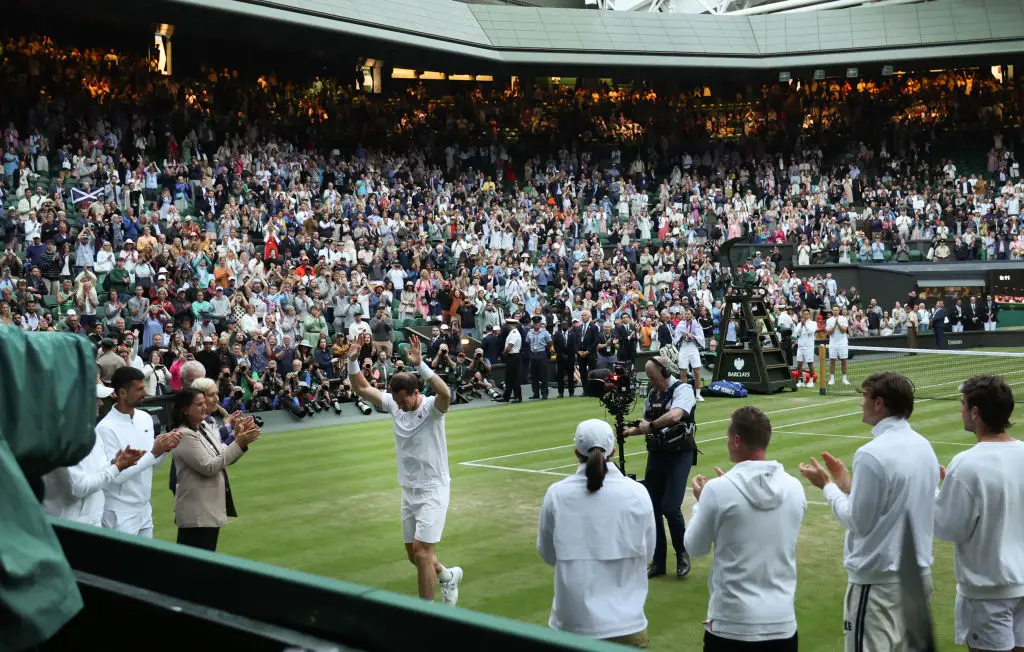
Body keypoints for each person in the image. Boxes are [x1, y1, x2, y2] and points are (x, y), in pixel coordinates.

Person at [799, 371, 939, 652]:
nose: (861, 403)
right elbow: (892, 503)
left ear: (879, 403)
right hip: (917, 578)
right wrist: (849, 486)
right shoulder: (925, 448)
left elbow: (857, 521)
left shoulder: (871, 454)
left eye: (864, 397)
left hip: (878, 583)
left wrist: (827, 486)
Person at [347, 332, 463, 604]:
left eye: (404, 400)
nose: (400, 406)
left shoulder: (434, 408)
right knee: (413, 554)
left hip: (434, 488)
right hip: (408, 490)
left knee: (423, 553)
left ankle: (427, 614)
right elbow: (362, 389)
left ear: (416, 392)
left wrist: (421, 364)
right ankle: (447, 576)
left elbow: (445, 392)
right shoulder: (395, 405)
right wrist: (353, 361)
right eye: (396, 401)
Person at [685, 406, 806, 651]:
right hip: (782, 626)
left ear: (737, 440)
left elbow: (695, 548)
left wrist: (702, 504)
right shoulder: (795, 488)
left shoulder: (718, 490)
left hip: (731, 625)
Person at [537, 419, 655, 648]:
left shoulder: (556, 494)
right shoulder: (638, 493)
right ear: (612, 450)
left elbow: (547, 555)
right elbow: (648, 553)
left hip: (572, 625)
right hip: (627, 624)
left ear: (576, 453)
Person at [935, 375, 1024, 652]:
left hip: (988, 590)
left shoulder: (967, 464)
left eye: (963, 405)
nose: (960, 410)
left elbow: (948, 527)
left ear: (975, 412)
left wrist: (935, 493)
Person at [623, 345, 698, 579]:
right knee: (652, 507)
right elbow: (645, 423)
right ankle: (658, 561)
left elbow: (675, 415)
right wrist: (626, 432)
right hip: (657, 454)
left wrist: (651, 426)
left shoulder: (683, 389)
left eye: (654, 378)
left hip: (679, 455)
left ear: (665, 373)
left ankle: (682, 554)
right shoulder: (652, 396)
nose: (652, 383)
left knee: (671, 507)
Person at [41, 384, 147, 526]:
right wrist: (116, 467)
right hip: (69, 526)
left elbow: (97, 471)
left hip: (92, 521)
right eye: (96, 399)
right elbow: (79, 487)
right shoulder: (62, 438)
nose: (101, 403)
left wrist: (113, 463)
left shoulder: (91, 431)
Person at [97, 366, 183, 537]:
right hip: (118, 512)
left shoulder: (145, 418)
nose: (144, 393)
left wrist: (164, 449)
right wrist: (154, 452)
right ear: (122, 393)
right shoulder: (105, 428)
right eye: (139, 389)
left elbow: (150, 466)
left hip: (144, 508)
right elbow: (116, 475)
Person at [171, 388, 260, 551]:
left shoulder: (202, 428)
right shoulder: (184, 434)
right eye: (199, 404)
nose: (204, 407)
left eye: (204, 403)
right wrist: (238, 443)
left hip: (207, 509)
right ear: (185, 409)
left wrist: (237, 436)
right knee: (193, 565)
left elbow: (222, 454)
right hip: (196, 512)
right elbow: (210, 466)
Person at [672, 308, 706, 401]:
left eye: (688, 314)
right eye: (685, 314)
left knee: (697, 371)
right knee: (683, 372)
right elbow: (675, 337)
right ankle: (684, 394)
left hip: (693, 348)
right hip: (683, 348)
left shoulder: (697, 325)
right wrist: (683, 335)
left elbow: (701, 337)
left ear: (692, 315)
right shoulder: (681, 325)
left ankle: (698, 394)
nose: (686, 315)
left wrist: (693, 336)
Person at [526, 315, 552, 400]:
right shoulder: (529, 333)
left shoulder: (545, 332)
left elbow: (549, 343)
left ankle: (544, 393)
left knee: (543, 375)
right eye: (535, 323)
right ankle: (536, 393)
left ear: (540, 323)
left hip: (541, 353)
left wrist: (545, 349)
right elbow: (527, 342)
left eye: (538, 323)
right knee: (534, 375)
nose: (537, 324)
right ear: (533, 324)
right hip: (533, 354)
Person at [497, 316, 523, 403]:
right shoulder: (512, 333)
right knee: (509, 378)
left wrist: (503, 354)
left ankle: (518, 397)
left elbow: (509, 347)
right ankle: (506, 396)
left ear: (511, 325)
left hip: (513, 356)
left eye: (508, 325)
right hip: (511, 357)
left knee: (514, 378)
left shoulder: (514, 334)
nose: (506, 326)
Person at [552, 320, 577, 398]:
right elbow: (555, 347)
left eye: (566, 324)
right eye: (563, 324)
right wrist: (562, 355)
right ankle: (560, 393)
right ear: (561, 326)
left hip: (570, 358)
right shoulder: (557, 334)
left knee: (570, 376)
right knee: (560, 376)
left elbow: (574, 346)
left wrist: (570, 355)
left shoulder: (572, 334)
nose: (564, 326)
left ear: (568, 326)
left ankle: (571, 392)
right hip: (560, 359)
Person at [825, 306, 850, 386]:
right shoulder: (829, 320)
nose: (835, 311)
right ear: (832, 311)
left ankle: (844, 379)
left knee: (844, 361)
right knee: (832, 361)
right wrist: (834, 325)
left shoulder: (844, 319)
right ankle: (832, 379)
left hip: (843, 343)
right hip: (833, 343)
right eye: (834, 310)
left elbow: (843, 331)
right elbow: (829, 333)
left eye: (837, 310)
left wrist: (837, 323)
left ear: (839, 311)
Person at [793, 308, 817, 388]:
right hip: (800, 347)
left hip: (809, 347)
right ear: (802, 315)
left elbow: (810, 332)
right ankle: (801, 381)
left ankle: (811, 381)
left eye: (807, 314)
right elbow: (796, 333)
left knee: (810, 364)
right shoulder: (799, 324)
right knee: (799, 364)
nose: (806, 316)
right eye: (804, 314)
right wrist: (801, 325)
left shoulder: (813, 323)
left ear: (809, 315)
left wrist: (805, 325)